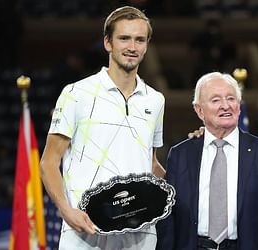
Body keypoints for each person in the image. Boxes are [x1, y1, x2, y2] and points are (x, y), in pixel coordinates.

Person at [40, 6, 165, 250]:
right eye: (124, 38)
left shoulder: (156, 100)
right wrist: (66, 211)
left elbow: (151, 165)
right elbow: (48, 162)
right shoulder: (76, 94)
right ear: (108, 43)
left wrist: (196, 147)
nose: (132, 46)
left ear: (146, 45)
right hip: (84, 229)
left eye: (140, 40)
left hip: (140, 233)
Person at [156, 72, 258, 250]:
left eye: (231, 98)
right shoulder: (180, 154)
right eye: (215, 100)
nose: (225, 106)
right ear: (199, 110)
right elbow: (169, 219)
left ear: (238, 106)